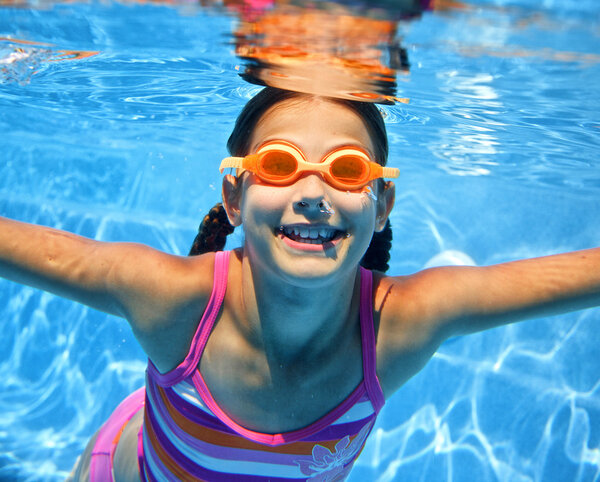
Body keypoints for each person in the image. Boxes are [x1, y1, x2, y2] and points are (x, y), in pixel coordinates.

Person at [1, 86, 598, 481]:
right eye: (281, 166)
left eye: (346, 170)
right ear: (235, 196)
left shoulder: (400, 326)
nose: (312, 195)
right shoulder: (174, 303)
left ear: (381, 202)